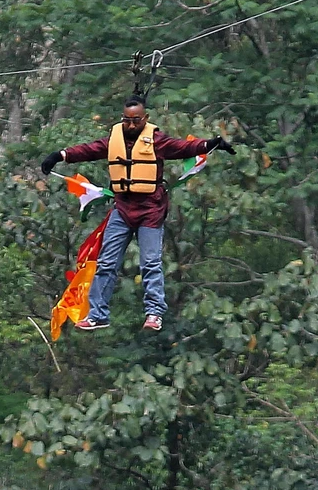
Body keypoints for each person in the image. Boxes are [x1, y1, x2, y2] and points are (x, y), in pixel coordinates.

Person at [41, 96, 236, 332]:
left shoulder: (156, 140)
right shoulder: (113, 141)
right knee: (106, 262)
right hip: (123, 208)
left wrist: (212, 143)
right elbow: (88, 150)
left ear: (145, 119)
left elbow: (184, 147)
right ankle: (97, 314)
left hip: (150, 210)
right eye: (127, 120)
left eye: (136, 120)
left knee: (150, 263)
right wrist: (60, 155)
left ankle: (154, 313)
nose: (131, 125)